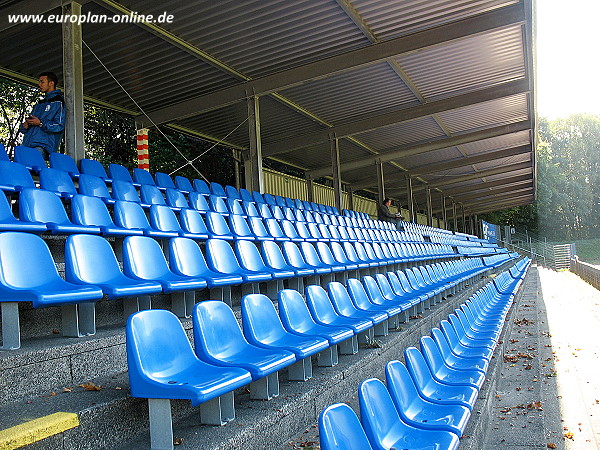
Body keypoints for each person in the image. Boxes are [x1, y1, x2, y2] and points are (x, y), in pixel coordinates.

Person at [19, 72, 66, 160]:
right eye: (39, 82)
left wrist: (40, 123)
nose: (39, 84)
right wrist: (25, 125)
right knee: (19, 171)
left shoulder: (59, 102)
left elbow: (59, 126)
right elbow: (28, 124)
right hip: (26, 145)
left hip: (42, 147)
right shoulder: (39, 104)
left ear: (51, 83)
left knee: (33, 171)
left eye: (42, 82)